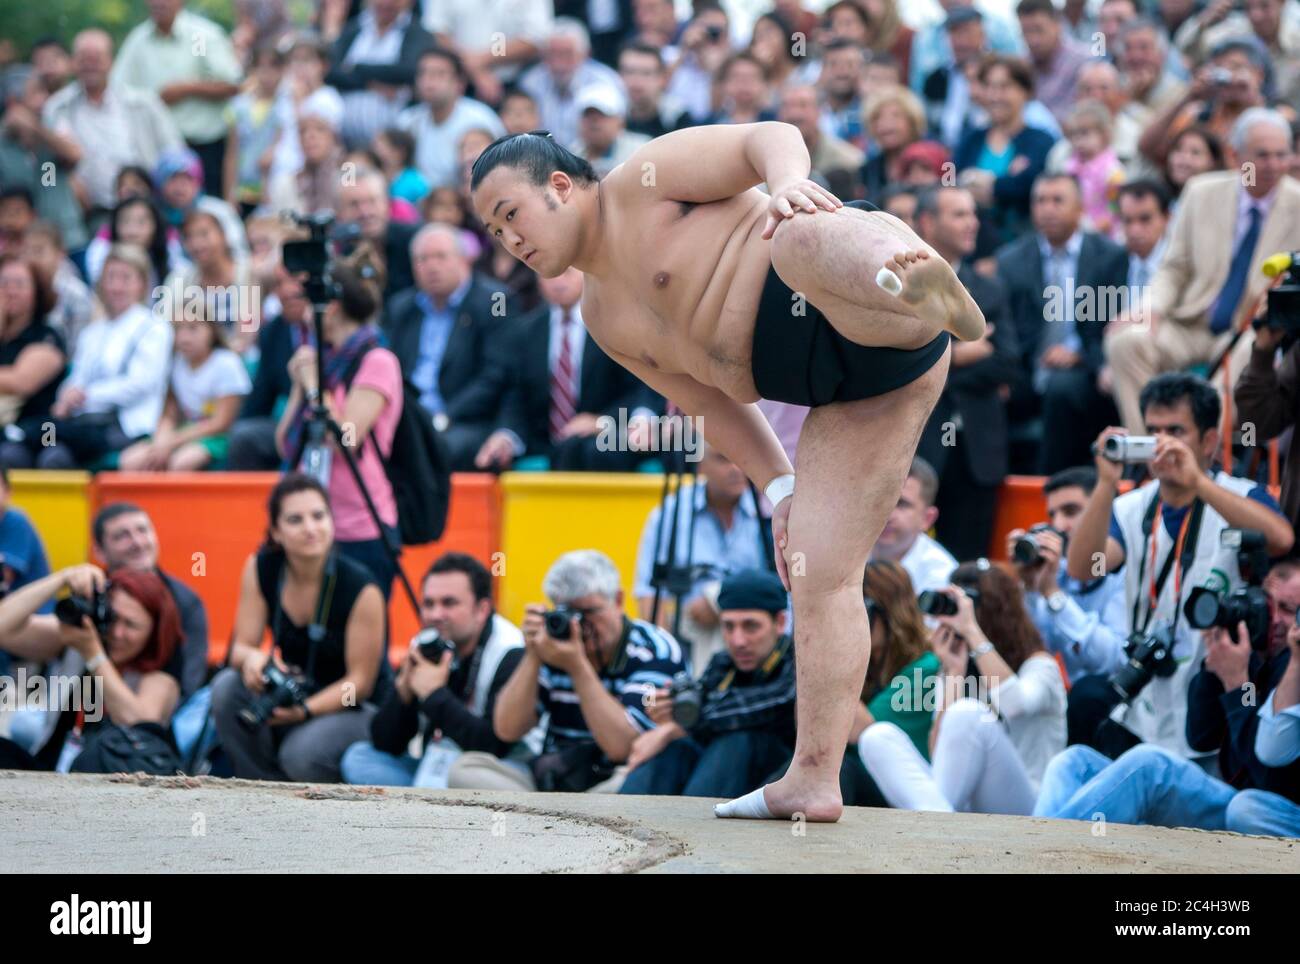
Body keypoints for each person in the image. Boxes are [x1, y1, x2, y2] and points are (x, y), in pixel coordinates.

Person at [471, 121, 987, 821]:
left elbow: (767, 136)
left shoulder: (643, 179)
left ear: (559, 187)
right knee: (816, 568)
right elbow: (708, 405)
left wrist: (786, 187)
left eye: (511, 215)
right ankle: (813, 778)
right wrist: (779, 488)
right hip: (852, 395)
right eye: (497, 234)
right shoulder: (602, 315)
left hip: (845, 284)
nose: (511, 240)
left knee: (802, 239)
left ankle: (912, 273)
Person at [1065, 372, 1295, 759]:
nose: (1162, 443)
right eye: (1153, 430)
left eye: (1175, 430)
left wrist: (1198, 482)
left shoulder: (1241, 496)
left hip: (1211, 699)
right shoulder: (1131, 505)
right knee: (1074, 762)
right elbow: (1084, 568)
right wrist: (1106, 484)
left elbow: (1280, 539)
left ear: (1208, 440)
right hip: (1144, 705)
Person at [1035, 558, 1300, 832]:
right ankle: (1038, 844)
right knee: (1073, 761)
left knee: (1151, 766)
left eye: (1289, 610)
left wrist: (1237, 685)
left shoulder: (1293, 665)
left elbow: (1265, 769)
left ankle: (1045, 849)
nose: (1274, 619)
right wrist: (1213, 668)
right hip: (1228, 800)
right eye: (1268, 604)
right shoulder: (1253, 655)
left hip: (1264, 811)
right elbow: (1200, 736)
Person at [1107, 108, 1300, 435]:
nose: (1273, 164)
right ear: (1235, 155)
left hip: (1252, 327)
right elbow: (1173, 268)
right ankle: (1149, 455)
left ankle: (1199, 462)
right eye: (1262, 155)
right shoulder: (1201, 191)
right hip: (1191, 322)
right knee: (1126, 342)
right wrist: (1149, 309)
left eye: (1281, 154)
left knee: (1245, 359)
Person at [211, 473, 391, 782]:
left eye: (319, 516)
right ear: (276, 532)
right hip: (292, 692)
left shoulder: (362, 587)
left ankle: (300, 809)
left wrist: (305, 711)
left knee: (300, 753)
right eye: (295, 519)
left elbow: (359, 684)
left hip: (354, 708)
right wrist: (254, 659)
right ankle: (260, 791)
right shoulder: (261, 567)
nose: (310, 528)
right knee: (227, 686)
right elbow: (239, 649)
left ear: (333, 523)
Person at [859, 560, 1067, 814]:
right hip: (962, 809)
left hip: (1028, 808)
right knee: (876, 737)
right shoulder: (957, 669)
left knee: (967, 712)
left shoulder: (1040, 667)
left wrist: (971, 631)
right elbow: (938, 751)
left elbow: (1014, 704)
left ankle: (936, 823)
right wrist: (954, 671)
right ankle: (938, 820)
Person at [485, 549, 686, 793]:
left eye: (589, 612)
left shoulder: (653, 649)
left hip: (616, 777)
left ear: (619, 601)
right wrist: (533, 654)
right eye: (568, 613)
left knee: (623, 789)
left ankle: (542, 813)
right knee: (468, 768)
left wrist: (578, 667)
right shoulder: (552, 645)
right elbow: (507, 729)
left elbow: (622, 746)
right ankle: (546, 811)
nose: (579, 625)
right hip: (556, 773)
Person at [341, 553, 537, 787]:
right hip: (435, 766)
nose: (435, 615)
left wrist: (434, 695)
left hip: (497, 770)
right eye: (429, 604)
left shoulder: (510, 650)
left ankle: (420, 808)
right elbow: (385, 742)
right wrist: (403, 695)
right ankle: (424, 808)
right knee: (359, 757)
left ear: (482, 609)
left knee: (466, 776)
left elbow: (494, 746)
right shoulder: (428, 644)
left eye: (449, 603)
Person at [277, 245, 403, 601]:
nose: (301, 307)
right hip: (311, 523)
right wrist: (301, 387)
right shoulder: (319, 360)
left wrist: (315, 385)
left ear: (330, 306)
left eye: (308, 298)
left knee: (362, 640)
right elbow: (286, 443)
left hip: (360, 526)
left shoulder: (378, 361)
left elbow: (346, 437)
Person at [619, 569, 796, 799]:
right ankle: (624, 820)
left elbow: (762, 707)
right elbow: (702, 701)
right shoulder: (724, 662)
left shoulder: (798, 662)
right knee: (676, 750)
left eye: (751, 626)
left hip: (780, 779)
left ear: (780, 622)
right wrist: (673, 709)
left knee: (738, 740)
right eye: (729, 627)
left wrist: (680, 725)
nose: (738, 641)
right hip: (730, 780)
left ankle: (694, 831)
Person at [913, 185, 1018, 561]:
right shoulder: (902, 282)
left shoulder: (989, 287)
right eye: (959, 214)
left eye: (973, 213)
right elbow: (901, 365)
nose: (972, 223)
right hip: (918, 449)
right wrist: (957, 356)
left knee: (972, 567)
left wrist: (935, 361)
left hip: (979, 452)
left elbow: (1007, 362)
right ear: (927, 222)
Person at [997, 173, 1128, 474]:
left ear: (1080, 207)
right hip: (1027, 367)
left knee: (1061, 389)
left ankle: (1051, 484)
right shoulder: (1011, 259)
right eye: (1040, 201)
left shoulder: (1109, 257)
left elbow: (1111, 324)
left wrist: (1079, 355)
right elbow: (1010, 329)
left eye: (1058, 200)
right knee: (984, 389)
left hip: (1087, 368)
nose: (1048, 209)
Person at [0, 564, 186, 771]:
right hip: (51, 772)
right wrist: (63, 578)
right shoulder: (81, 635)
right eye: (113, 618)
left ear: (153, 630)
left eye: (131, 625)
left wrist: (94, 655)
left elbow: (139, 723)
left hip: (118, 780)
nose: (117, 633)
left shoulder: (159, 669)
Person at [479, 264, 661, 473]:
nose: (558, 282)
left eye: (566, 273)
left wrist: (601, 421)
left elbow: (639, 388)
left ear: (587, 276)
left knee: (591, 451)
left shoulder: (613, 327)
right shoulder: (526, 331)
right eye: (549, 275)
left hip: (602, 440)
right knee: (485, 455)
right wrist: (507, 436)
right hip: (545, 442)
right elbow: (516, 396)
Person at [380, 224, 513, 471]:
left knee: (436, 448)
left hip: (466, 420)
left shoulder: (494, 301)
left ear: (464, 260)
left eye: (440, 257)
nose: (431, 266)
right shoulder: (402, 308)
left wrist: (446, 416)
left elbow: (494, 377)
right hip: (411, 417)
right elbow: (393, 371)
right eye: (422, 259)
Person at [632, 443, 769, 675]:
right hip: (691, 639)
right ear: (699, 465)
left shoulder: (769, 511)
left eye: (742, 458)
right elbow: (649, 595)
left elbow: (785, 588)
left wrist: (715, 599)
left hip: (756, 638)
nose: (736, 468)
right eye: (724, 459)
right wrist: (668, 662)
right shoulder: (670, 513)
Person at [40, 245, 172, 470]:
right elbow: (77, 377)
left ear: (141, 283)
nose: (116, 286)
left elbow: (140, 384)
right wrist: (66, 396)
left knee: (56, 454)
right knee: (40, 446)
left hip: (125, 426)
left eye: (125, 278)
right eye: (111, 277)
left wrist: (85, 396)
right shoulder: (92, 331)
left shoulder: (154, 327)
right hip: (83, 422)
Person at [40, 28, 183, 220]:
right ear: (73, 62)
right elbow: (45, 164)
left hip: (146, 209)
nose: (90, 65)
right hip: (85, 213)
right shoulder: (55, 108)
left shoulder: (144, 103)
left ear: (111, 61)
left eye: (97, 58)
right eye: (83, 58)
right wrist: (60, 183)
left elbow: (175, 153)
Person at [1006, 467, 1128, 683]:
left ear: (1102, 514)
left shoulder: (1129, 571)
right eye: (1053, 515)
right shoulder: (1057, 571)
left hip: (1124, 699)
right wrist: (1031, 589)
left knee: (1089, 691)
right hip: (1077, 701)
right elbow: (1033, 658)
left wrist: (1055, 596)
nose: (1059, 525)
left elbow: (1113, 661)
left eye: (1070, 511)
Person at [111, 0, 244, 197]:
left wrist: (186, 89)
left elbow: (231, 84)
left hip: (203, 147)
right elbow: (117, 89)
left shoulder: (198, 36)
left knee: (205, 214)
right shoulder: (139, 41)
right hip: (157, 151)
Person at [118, 315, 251, 471]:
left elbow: (220, 423)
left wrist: (173, 441)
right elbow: (169, 413)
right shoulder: (175, 363)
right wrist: (162, 439)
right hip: (184, 432)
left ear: (212, 330)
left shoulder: (227, 363)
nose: (184, 338)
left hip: (219, 437)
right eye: (178, 329)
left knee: (182, 463)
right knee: (130, 460)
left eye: (193, 328)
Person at [325, 0, 436, 150]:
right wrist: (372, 84)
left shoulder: (417, 33)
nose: (386, 3)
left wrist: (356, 67)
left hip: (394, 146)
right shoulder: (354, 28)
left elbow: (408, 71)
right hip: (345, 142)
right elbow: (330, 70)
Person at [396, 47, 504, 192]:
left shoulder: (481, 119)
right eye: (423, 73)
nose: (429, 81)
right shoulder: (407, 121)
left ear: (459, 83)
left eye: (439, 74)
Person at [0, 254, 66, 469]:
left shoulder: (47, 336)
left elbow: (22, 381)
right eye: (3, 283)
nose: (10, 291)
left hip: (38, 434)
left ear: (37, 292)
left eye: (19, 284)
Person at [867, 456, 958, 593]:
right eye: (881, 500)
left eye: (901, 504)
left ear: (927, 518)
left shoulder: (942, 577)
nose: (887, 515)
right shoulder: (841, 553)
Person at [223, 44, 285, 213]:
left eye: (274, 66)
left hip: (273, 190)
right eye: (261, 66)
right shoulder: (238, 106)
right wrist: (230, 192)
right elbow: (232, 153)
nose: (267, 74)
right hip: (244, 189)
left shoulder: (286, 104)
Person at [19, 221, 94, 356]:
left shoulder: (76, 293)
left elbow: (78, 348)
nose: (31, 258)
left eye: (38, 250)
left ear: (60, 253)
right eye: (26, 251)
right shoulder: (20, 286)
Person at [1060, 100, 1127, 242]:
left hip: (1105, 237)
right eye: (1074, 135)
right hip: (1075, 234)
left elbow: (1116, 209)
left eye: (1085, 134)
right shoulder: (1069, 167)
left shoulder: (1113, 171)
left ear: (1105, 134)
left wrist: (1097, 227)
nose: (1078, 141)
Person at [1015, 0, 1090, 124]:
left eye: (1038, 30)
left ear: (1057, 25)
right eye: (1026, 32)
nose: (1033, 40)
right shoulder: (1021, 67)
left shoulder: (1083, 62)